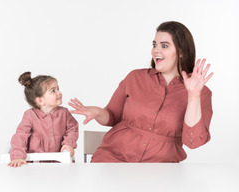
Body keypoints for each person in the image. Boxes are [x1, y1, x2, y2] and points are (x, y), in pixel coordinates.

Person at [68, 21, 213, 163]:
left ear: (181, 52)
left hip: (160, 172)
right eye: (154, 45)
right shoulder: (135, 77)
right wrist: (97, 112)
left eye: (164, 46)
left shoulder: (201, 93)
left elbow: (193, 142)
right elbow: (113, 116)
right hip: (112, 159)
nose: (156, 50)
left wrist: (193, 95)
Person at [8, 72, 79, 167]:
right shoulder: (30, 115)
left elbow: (73, 128)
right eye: (53, 91)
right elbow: (21, 136)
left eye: (58, 89)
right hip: (35, 164)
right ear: (41, 101)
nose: (59, 93)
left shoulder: (64, 113)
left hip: (58, 162)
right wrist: (18, 156)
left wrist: (68, 144)